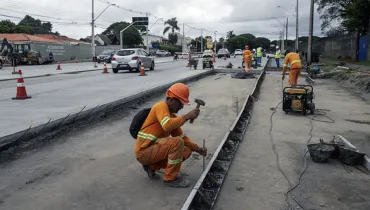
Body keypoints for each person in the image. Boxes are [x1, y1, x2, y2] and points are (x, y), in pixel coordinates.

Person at [135, 83, 207, 188]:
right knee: (177, 142)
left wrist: (198, 149)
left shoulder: (171, 116)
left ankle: (151, 166)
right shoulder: (160, 106)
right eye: (181, 103)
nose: (182, 107)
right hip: (143, 152)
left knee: (186, 150)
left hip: (152, 151)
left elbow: (183, 138)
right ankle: (170, 179)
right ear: (172, 100)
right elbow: (167, 125)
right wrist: (186, 116)